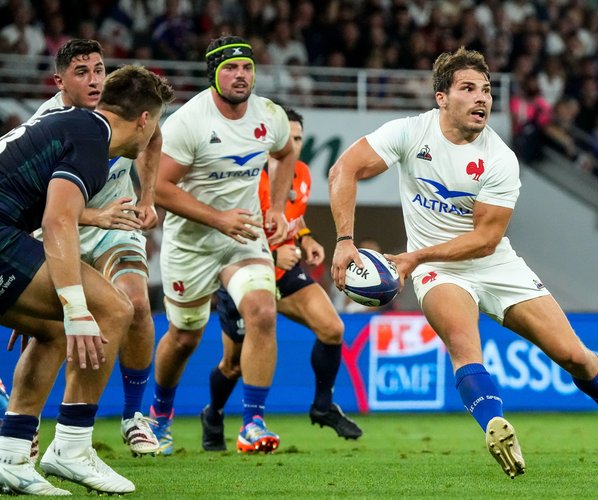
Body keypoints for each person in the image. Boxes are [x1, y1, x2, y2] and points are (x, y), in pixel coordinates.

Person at [329, 47, 598, 479]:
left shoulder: (500, 158)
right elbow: (344, 170)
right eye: (468, 89)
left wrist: (415, 256)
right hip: (438, 271)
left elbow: (485, 241)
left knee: (574, 355)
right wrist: (344, 240)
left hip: (491, 263)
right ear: (442, 98)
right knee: (462, 343)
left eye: (486, 90)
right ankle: (495, 426)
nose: (481, 98)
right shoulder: (410, 133)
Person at [0, 65, 173, 495]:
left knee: (53, 329)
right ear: (144, 120)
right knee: (112, 307)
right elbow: (58, 222)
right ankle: (72, 448)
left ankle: (11, 455)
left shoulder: (73, 123)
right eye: (155, 125)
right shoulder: (94, 141)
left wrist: (39, 297)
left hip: (9, 237)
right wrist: (76, 307)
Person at [150, 35, 297, 456]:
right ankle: (159, 415)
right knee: (184, 337)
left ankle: (252, 423)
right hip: (191, 243)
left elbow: (286, 153)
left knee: (263, 312)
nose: (240, 75)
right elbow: (158, 187)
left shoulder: (270, 115)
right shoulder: (188, 123)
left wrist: (278, 206)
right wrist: (218, 219)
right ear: (213, 73)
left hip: (244, 236)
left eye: (247, 67)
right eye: (230, 68)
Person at [201, 107, 362, 453]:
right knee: (233, 365)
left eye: (299, 138)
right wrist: (272, 255)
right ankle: (213, 414)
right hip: (244, 272)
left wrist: (306, 238)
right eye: (288, 137)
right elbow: (228, 233)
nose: (294, 144)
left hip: (285, 271)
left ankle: (322, 406)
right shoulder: (246, 177)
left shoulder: (301, 173)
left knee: (332, 329)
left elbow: (294, 216)